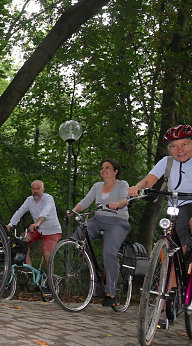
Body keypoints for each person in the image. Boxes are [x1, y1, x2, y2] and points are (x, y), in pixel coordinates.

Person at [128, 124, 192, 327]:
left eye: (184, 144)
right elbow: (149, 180)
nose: (179, 150)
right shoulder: (167, 162)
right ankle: (165, 309)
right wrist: (138, 188)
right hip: (175, 208)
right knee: (171, 259)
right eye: (174, 146)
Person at [70, 158, 130, 308]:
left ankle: (111, 293)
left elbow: (125, 199)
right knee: (78, 235)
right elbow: (86, 201)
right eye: (102, 168)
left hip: (117, 222)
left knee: (109, 253)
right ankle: (93, 274)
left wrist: (117, 204)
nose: (103, 170)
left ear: (115, 171)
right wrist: (74, 210)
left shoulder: (122, 184)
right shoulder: (97, 186)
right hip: (98, 220)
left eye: (107, 168)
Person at [6, 180, 61, 266]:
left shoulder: (48, 198)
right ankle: (29, 268)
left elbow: (45, 212)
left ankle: (51, 278)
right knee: (22, 241)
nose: (35, 191)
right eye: (33, 189)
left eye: (38, 189)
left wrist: (37, 223)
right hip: (38, 229)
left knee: (46, 253)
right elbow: (20, 212)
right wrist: (10, 224)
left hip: (52, 230)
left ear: (43, 189)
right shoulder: (29, 200)